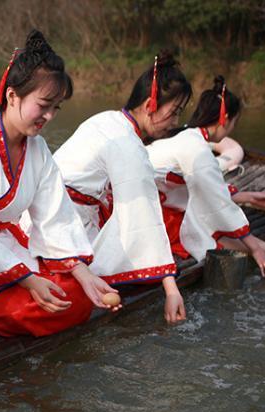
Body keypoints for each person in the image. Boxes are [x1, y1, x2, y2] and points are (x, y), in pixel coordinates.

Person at [0, 30, 118, 338]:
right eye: (44, 105)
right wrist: (27, 280)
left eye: (56, 108)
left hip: (6, 251)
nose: (49, 116)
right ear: (12, 96)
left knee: (75, 293)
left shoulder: (37, 150)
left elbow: (55, 217)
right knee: (48, 304)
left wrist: (84, 274)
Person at [54, 50, 192, 324]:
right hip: (66, 225)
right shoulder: (126, 141)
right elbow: (145, 210)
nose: (175, 122)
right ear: (151, 104)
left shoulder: (108, 119)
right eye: (174, 113)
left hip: (59, 215)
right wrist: (171, 287)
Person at [147, 76, 265, 278]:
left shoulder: (185, 136)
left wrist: (247, 196)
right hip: (148, 212)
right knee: (204, 223)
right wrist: (256, 249)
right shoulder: (197, 149)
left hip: (156, 202)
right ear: (225, 118)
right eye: (235, 122)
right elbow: (216, 201)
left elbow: (202, 188)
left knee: (207, 214)